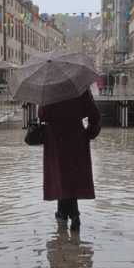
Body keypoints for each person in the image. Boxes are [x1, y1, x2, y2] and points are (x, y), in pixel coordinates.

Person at [38, 89, 101, 230]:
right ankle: (70, 214)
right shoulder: (80, 88)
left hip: (55, 140)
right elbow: (94, 115)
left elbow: (42, 115)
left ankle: (67, 216)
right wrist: (90, 133)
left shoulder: (49, 89)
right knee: (72, 177)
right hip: (76, 137)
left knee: (60, 177)